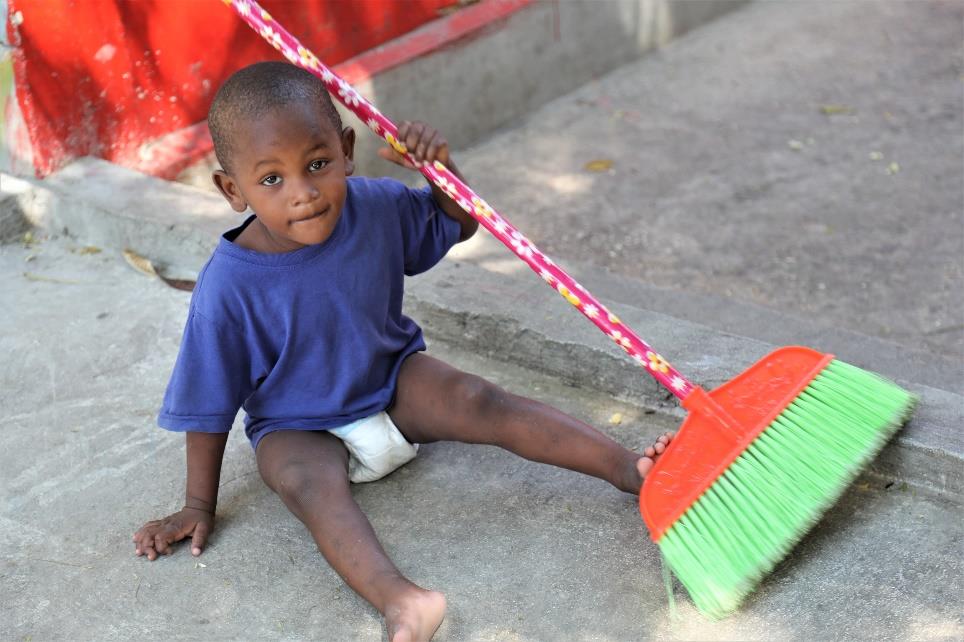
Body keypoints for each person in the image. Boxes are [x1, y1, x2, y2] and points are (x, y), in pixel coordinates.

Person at [133, 61, 673, 642]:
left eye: (317, 165)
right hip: (298, 421)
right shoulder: (228, 288)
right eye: (271, 180)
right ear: (231, 189)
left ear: (346, 151)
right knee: (300, 481)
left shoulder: (375, 207)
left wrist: (440, 172)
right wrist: (198, 503)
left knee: (478, 398)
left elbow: (457, 220)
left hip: (392, 381)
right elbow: (208, 405)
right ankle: (403, 602)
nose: (304, 192)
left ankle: (630, 469)